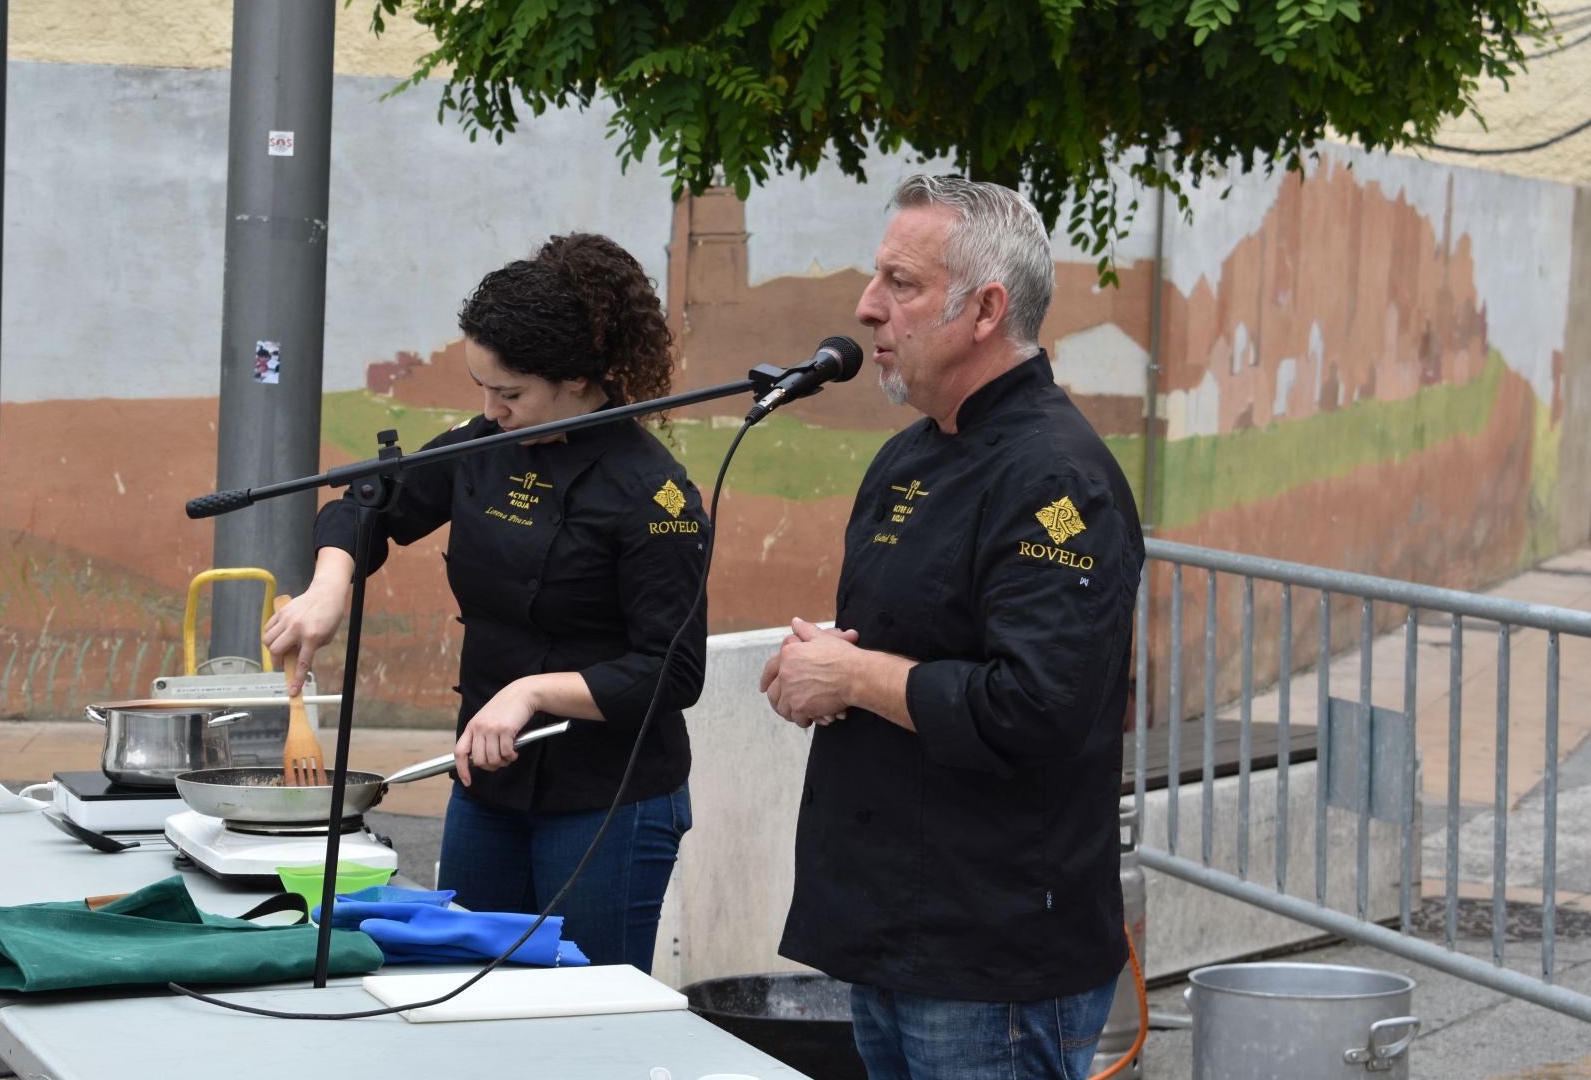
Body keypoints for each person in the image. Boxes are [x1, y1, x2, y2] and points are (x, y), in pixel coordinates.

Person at [759, 175, 1142, 1080]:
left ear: (985, 310)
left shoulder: (1056, 477)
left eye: (901, 283)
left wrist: (854, 679)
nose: (866, 308)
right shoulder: (908, 455)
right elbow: (907, 647)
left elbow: (1034, 707)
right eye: (875, 280)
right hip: (889, 927)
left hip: (993, 956)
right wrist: (823, 665)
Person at [264, 233, 707, 973]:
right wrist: (329, 583)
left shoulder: (653, 496)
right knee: (467, 989)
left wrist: (532, 693)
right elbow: (371, 505)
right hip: (488, 786)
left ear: (576, 379)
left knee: (583, 1012)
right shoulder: (482, 445)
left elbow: (671, 672)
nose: (490, 409)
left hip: (607, 802)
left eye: (510, 394)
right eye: (482, 388)